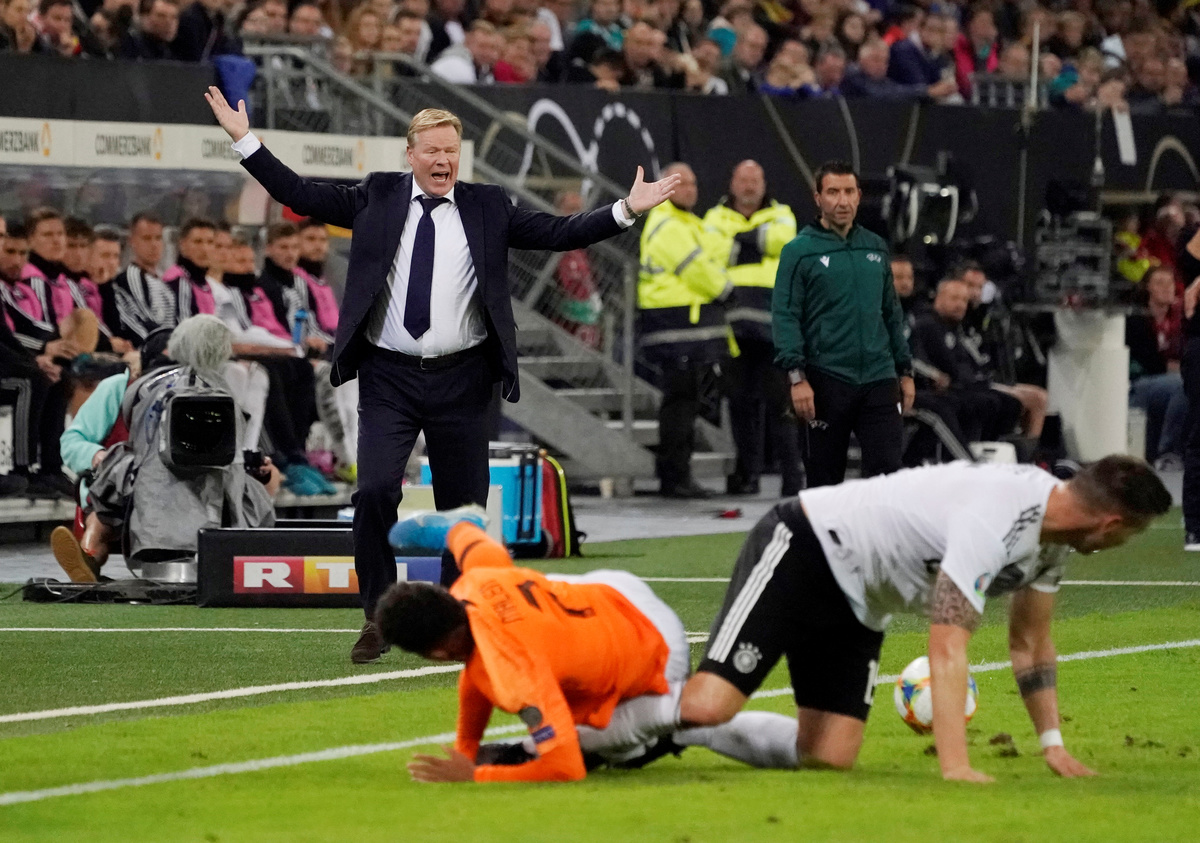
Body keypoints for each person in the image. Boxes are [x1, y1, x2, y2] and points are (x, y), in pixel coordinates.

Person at [205, 90, 680, 663]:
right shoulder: (376, 196)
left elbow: (559, 232)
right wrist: (245, 139)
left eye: (451, 151)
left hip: (463, 378)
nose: (442, 160)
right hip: (389, 377)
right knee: (374, 491)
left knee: (463, 510)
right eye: (431, 150)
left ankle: (456, 618)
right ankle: (379, 615)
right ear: (410, 154)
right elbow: (299, 193)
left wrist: (626, 209)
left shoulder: (488, 205)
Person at [678, 456, 1171, 781]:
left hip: (861, 600)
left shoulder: (1053, 544)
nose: (1120, 546)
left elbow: (1030, 643)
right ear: (1110, 524)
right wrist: (956, 765)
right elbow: (947, 643)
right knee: (707, 703)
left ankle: (681, 731)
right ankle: (646, 695)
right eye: (1129, 536)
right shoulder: (997, 517)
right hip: (807, 546)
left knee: (827, 756)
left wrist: (1053, 745)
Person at [377, 509, 801, 782]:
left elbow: (565, 767)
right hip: (613, 590)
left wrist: (475, 775)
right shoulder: (473, 583)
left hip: (656, 645)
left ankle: (796, 743)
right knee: (540, 606)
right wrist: (465, 749)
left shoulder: (516, 671)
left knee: (612, 743)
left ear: (436, 652)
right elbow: (470, 539)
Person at [772, 160, 914, 488]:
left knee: (888, 472)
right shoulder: (798, 251)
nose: (842, 201)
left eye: (849, 192)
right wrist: (796, 378)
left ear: (859, 196)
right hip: (826, 378)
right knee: (824, 481)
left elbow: (891, 314)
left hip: (879, 376)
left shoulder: (875, 247)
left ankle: (878, 527)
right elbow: (785, 315)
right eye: (833, 192)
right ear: (818, 198)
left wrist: (905, 371)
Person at [702, 160, 803, 496]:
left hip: (772, 327)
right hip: (732, 327)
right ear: (732, 183)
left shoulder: (782, 213)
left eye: (754, 180)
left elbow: (785, 242)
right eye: (743, 179)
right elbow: (709, 251)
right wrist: (760, 245)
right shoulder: (714, 216)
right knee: (740, 403)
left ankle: (792, 479)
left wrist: (735, 245)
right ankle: (748, 477)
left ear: (764, 183)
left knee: (780, 405)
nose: (749, 186)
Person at [638, 162, 732, 499]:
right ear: (664, 187)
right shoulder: (667, 223)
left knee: (685, 402)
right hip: (672, 327)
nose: (690, 190)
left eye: (692, 184)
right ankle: (674, 478)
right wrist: (727, 289)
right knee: (679, 403)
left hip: (683, 329)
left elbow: (713, 257)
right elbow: (697, 269)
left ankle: (679, 475)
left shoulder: (687, 222)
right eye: (681, 184)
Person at [910, 277, 1023, 443]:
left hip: (966, 385)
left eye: (964, 300)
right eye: (954, 298)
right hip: (939, 389)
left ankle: (994, 446)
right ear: (939, 298)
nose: (960, 305)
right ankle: (971, 450)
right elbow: (942, 366)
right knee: (985, 403)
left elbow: (970, 363)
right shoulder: (927, 325)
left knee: (1010, 403)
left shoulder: (957, 327)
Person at [1127, 265, 1185, 468]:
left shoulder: (1181, 320)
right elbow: (1150, 363)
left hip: (1170, 377)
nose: (1167, 287)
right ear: (1148, 288)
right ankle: (1167, 452)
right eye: (1160, 283)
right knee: (1184, 384)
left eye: (1170, 283)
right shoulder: (1135, 320)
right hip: (1139, 382)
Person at [101, 212, 177, 348]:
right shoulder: (133, 276)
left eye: (158, 238)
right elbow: (143, 319)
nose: (154, 245)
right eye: (147, 238)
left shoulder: (163, 283)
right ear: (132, 241)